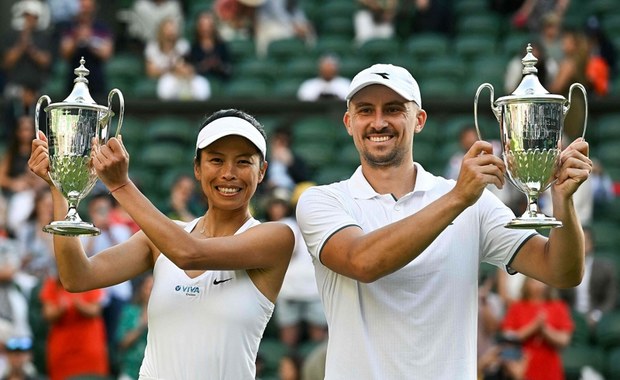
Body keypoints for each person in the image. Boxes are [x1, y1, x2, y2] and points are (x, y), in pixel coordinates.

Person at [295, 63, 591, 378]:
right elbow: (363, 262)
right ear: (349, 122)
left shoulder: (472, 201)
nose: (378, 122)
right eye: (365, 111)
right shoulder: (323, 200)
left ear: (419, 120)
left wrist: (564, 202)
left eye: (393, 109)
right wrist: (457, 198)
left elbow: (562, 272)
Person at [28, 108, 295, 378]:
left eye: (243, 162)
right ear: (197, 168)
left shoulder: (275, 238)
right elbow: (76, 277)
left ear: (262, 171)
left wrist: (120, 185)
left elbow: (189, 253)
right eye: (216, 160)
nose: (228, 173)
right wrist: (60, 187)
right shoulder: (160, 240)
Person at [502, 277, 574, 380]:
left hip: (550, 367)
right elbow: (508, 338)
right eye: (533, 281)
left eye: (541, 281)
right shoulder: (516, 307)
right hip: (521, 366)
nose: (538, 285)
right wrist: (533, 327)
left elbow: (564, 340)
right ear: (526, 283)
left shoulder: (559, 307)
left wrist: (545, 329)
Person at [40, 273, 109, 380]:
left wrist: (78, 304)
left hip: (88, 346)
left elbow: (95, 310)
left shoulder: (91, 280)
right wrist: (61, 309)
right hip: (62, 348)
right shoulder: (52, 284)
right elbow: (47, 314)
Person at [559, 226, 617, 330]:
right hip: (571, 316)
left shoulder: (605, 269)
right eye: (578, 240)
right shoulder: (564, 268)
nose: (582, 244)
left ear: (592, 243)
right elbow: (558, 297)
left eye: (585, 240)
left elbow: (611, 298)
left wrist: (597, 315)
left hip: (598, 316)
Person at [59, 0, 114, 101]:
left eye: (88, 8)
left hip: (96, 80)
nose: (85, 11)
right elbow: (65, 53)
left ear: (93, 9)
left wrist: (89, 40)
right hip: (73, 79)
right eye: (83, 8)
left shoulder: (102, 28)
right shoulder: (70, 27)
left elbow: (106, 53)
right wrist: (77, 38)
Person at [145, 17, 211, 101]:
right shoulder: (152, 47)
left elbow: (187, 67)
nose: (170, 32)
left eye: (173, 29)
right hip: (166, 80)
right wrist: (173, 68)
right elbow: (151, 72)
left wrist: (180, 69)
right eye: (167, 29)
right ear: (161, 31)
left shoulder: (183, 45)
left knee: (201, 84)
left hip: (182, 78)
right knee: (166, 85)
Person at [116, 273, 153, 380]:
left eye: (152, 288)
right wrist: (142, 324)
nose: (149, 292)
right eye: (147, 288)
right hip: (130, 370)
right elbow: (122, 342)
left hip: (155, 371)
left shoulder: (165, 316)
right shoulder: (130, 312)